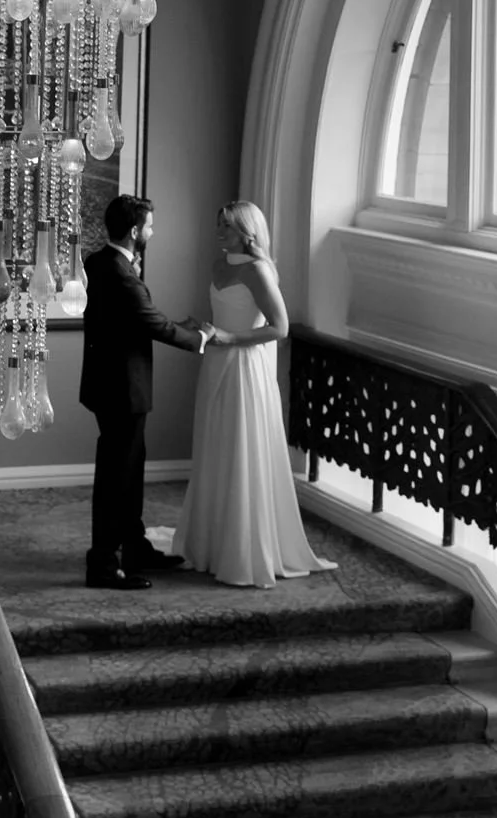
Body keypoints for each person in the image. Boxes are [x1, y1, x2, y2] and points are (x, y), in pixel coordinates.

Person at [172, 199, 336, 589]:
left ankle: (242, 549)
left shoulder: (259, 271)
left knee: (241, 448)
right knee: (216, 446)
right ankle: (211, 543)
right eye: (218, 225)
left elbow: (279, 328)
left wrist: (229, 337)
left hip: (245, 368)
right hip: (216, 365)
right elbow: (224, 316)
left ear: (247, 232)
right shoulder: (219, 265)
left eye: (226, 228)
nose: (219, 234)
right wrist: (206, 329)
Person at [79, 193, 223, 590]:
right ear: (134, 231)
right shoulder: (123, 276)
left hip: (108, 385)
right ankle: (103, 565)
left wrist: (180, 324)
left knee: (130, 467)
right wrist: (199, 336)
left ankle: (135, 546)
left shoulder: (99, 262)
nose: (153, 232)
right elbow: (152, 324)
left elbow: (134, 319)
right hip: (122, 390)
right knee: (116, 477)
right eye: (150, 226)